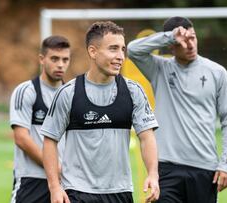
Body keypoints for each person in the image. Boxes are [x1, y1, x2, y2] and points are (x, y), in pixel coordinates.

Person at [41, 21, 160, 203]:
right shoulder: (68, 93)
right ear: (93, 52)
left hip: (120, 192)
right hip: (77, 191)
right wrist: (55, 187)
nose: (120, 56)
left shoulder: (133, 91)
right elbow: (50, 140)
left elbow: (147, 137)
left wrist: (153, 174)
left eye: (122, 49)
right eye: (113, 49)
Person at [127, 16, 227, 203]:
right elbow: (133, 50)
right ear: (171, 46)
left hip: (204, 169)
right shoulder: (159, 69)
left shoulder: (217, 72)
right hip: (166, 168)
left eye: (193, 38)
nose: (190, 45)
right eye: (183, 41)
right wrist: (170, 36)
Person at [9, 35, 71, 203]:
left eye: (65, 60)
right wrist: (54, 168)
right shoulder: (26, 91)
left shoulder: (72, 95)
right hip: (32, 179)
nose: (60, 64)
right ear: (42, 59)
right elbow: (21, 138)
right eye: (55, 59)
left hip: (66, 182)